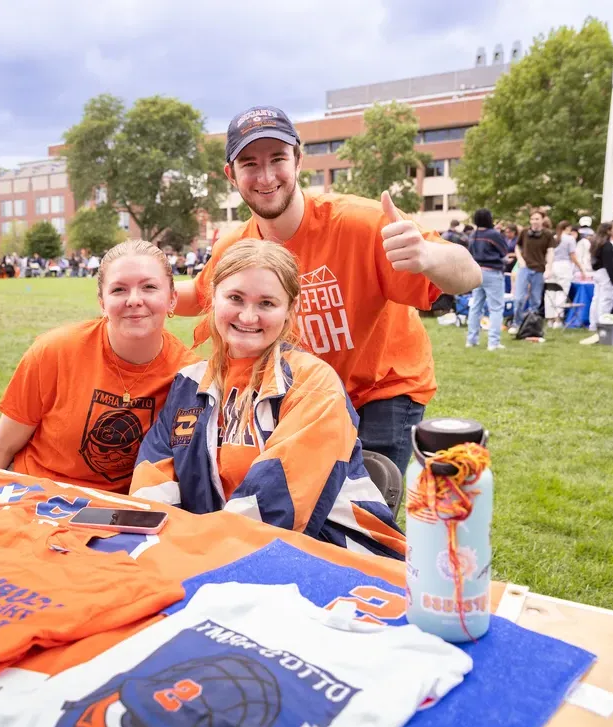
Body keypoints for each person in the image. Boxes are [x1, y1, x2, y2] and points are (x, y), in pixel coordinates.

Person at [173, 105, 480, 475]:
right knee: (307, 506)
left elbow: (469, 273)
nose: (266, 175)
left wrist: (428, 255)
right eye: (250, 163)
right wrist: (139, 289)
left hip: (381, 392)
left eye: (277, 158)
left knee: (364, 510)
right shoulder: (237, 246)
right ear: (231, 175)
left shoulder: (360, 223)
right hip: (304, 395)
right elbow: (199, 294)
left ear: (299, 160)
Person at [132, 240, 404, 559]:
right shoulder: (188, 383)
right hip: (211, 554)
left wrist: (191, 551)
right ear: (213, 298)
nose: (248, 316)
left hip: (337, 557)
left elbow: (276, 505)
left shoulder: (314, 383)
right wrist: (160, 545)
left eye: (266, 303)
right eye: (235, 298)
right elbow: (152, 480)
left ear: (290, 309)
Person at [0, 240, 197, 492]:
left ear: (172, 300)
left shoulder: (189, 377)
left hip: (119, 515)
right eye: (118, 290)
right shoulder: (54, 351)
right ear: (102, 302)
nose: (134, 300)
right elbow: (1, 448)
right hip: (36, 497)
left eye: (149, 287)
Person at [465, 208, 509, 351]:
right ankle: (493, 342)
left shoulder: (472, 235)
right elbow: (504, 252)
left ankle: (471, 340)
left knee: (476, 306)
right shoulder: (493, 235)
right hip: (493, 273)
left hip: (477, 272)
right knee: (496, 308)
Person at [510, 210, 555, 332]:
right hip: (525, 268)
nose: (534, 221)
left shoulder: (547, 235)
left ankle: (532, 324)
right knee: (519, 298)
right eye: (532, 219)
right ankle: (516, 323)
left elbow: (550, 252)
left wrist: (548, 268)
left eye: (537, 219)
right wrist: (520, 260)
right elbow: (517, 247)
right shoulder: (524, 232)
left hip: (539, 269)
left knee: (535, 300)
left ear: (542, 220)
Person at [545, 221, 586, 328]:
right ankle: (558, 320)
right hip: (564, 266)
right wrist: (581, 268)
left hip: (552, 265)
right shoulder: (569, 239)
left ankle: (550, 319)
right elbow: (572, 255)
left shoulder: (553, 237)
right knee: (561, 293)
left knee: (550, 293)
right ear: (567, 228)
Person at [587, 222, 613, 334]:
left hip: (597, 272)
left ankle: (593, 323)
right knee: (606, 300)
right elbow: (609, 264)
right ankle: (603, 324)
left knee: (597, 299)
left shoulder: (597, 243)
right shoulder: (607, 245)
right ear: (608, 230)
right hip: (605, 273)